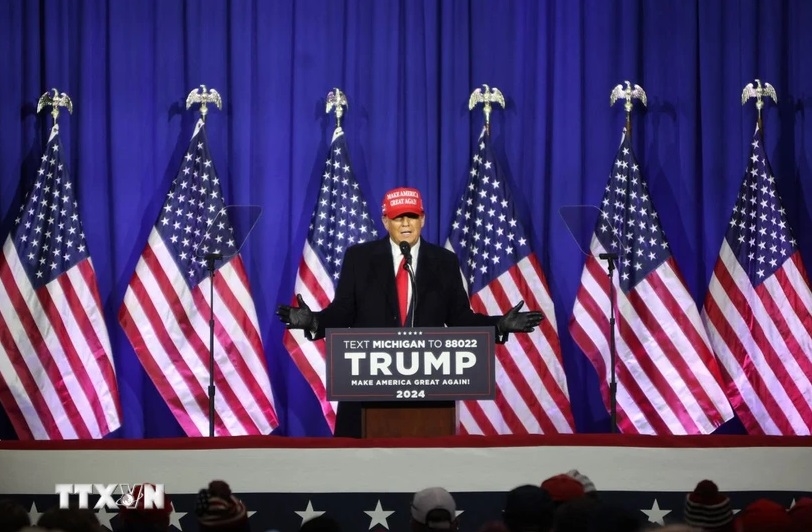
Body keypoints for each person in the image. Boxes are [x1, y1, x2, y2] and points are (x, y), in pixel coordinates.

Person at [276, 186, 545, 437]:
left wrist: (499, 326)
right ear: (385, 221)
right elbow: (343, 312)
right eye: (398, 218)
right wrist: (314, 321)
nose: (406, 224)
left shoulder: (444, 262)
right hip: (368, 384)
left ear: (422, 220)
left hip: (427, 389)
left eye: (412, 217)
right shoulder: (360, 258)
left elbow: (460, 318)